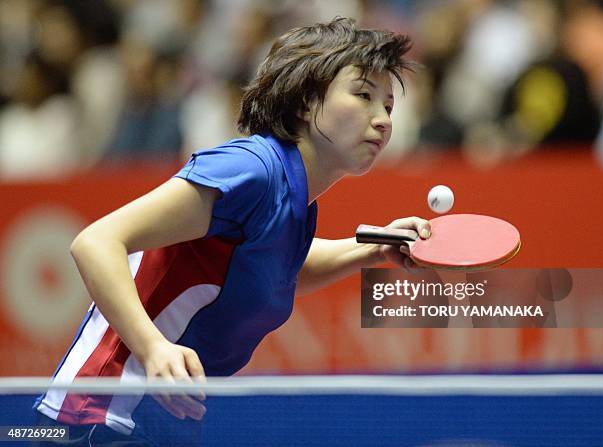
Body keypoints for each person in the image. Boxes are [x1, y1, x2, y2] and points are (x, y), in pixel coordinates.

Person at [33, 17, 431, 446]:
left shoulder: (293, 199)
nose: (382, 120)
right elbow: (96, 241)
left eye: (388, 106)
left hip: (164, 423)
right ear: (305, 100)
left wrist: (372, 250)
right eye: (363, 96)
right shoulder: (251, 169)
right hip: (99, 417)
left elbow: (279, 268)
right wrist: (152, 347)